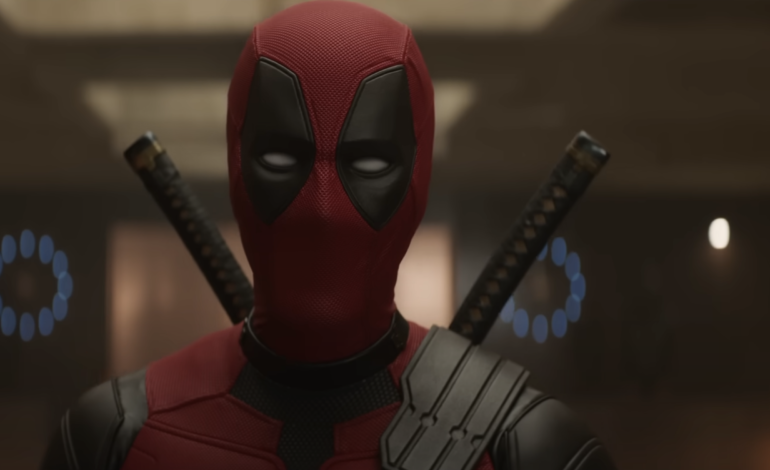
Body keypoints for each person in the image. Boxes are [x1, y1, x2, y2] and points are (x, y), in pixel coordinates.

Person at [40, 2, 616, 469]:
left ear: (417, 176)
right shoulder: (111, 437)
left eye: (368, 163)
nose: (321, 212)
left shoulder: (527, 448)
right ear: (237, 165)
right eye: (280, 158)